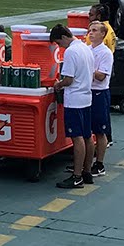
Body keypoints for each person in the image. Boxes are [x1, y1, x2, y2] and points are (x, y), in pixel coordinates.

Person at [53, 24, 96, 189]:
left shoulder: (71, 51)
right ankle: (87, 171)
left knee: (76, 137)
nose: (60, 47)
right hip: (86, 97)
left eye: (58, 43)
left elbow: (69, 79)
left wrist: (59, 84)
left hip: (74, 99)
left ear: (64, 37)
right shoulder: (86, 48)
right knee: (87, 136)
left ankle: (76, 176)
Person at [86, 19, 114, 177]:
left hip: (99, 93)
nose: (91, 33)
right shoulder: (87, 49)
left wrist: (87, 68)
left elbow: (101, 76)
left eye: (95, 30)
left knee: (100, 131)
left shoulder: (105, 53)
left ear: (103, 34)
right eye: (90, 30)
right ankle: (86, 163)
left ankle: (100, 164)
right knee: (87, 130)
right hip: (88, 92)